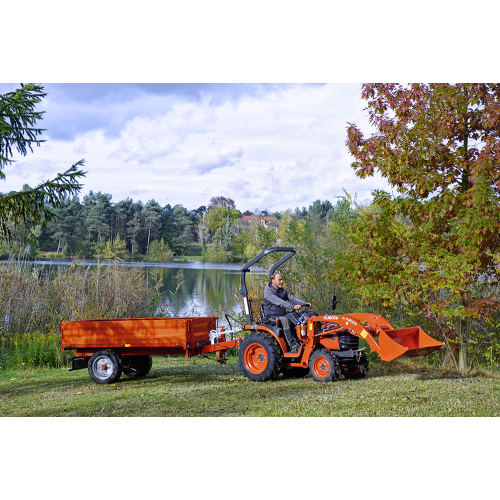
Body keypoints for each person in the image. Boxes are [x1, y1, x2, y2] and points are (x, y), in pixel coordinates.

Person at [262, 273, 311, 352]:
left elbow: (292, 298)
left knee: (297, 316)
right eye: (279, 280)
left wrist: (304, 304)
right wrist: (292, 306)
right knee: (284, 320)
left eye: (281, 280)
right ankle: (292, 345)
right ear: (273, 281)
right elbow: (280, 301)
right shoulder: (268, 292)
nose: (281, 282)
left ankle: (301, 339)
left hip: (282, 313)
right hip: (271, 316)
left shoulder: (281, 290)